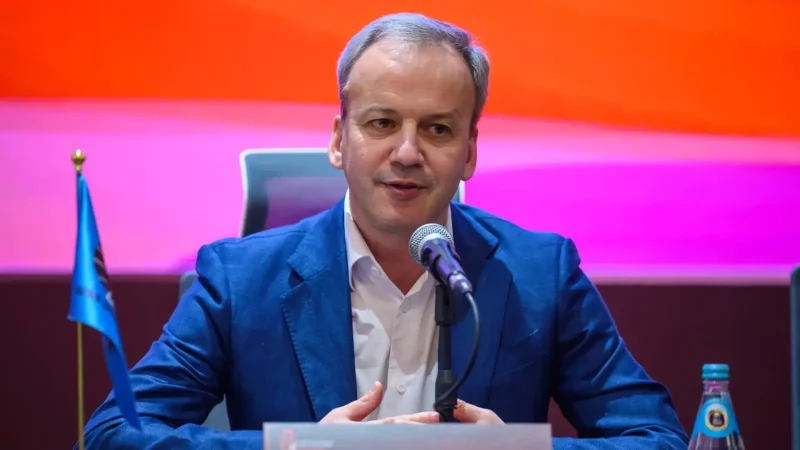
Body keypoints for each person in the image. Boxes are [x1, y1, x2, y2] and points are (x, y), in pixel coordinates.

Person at [81, 12, 689, 449]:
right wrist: (296, 447)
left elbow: (656, 436)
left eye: (438, 129)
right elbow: (116, 433)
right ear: (339, 140)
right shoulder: (239, 280)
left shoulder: (539, 274)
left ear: (470, 152)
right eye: (381, 123)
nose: (406, 152)